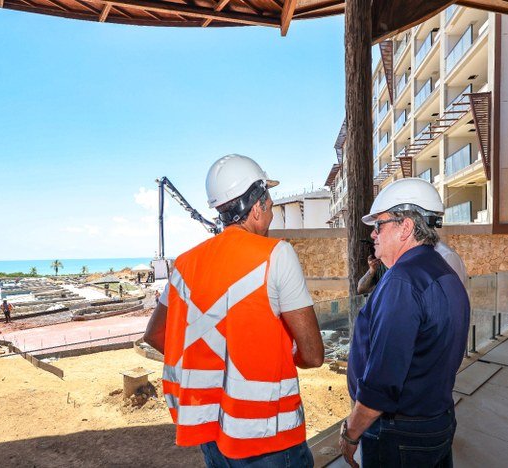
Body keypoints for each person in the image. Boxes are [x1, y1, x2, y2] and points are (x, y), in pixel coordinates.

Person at [145, 154, 324, 467]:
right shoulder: (276, 255)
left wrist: (217, 368)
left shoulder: (185, 263)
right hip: (269, 437)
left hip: (210, 430)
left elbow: (155, 335)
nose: (270, 217)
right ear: (257, 207)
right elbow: (313, 355)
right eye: (270, 208)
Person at [340, 178, 470, 468]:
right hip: (435, 421)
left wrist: (352, 433)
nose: (373, 235)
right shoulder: (442, 270)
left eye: (379, 225)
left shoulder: (402, 280)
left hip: (400, 434)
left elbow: (382, 381)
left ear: (406, 228)